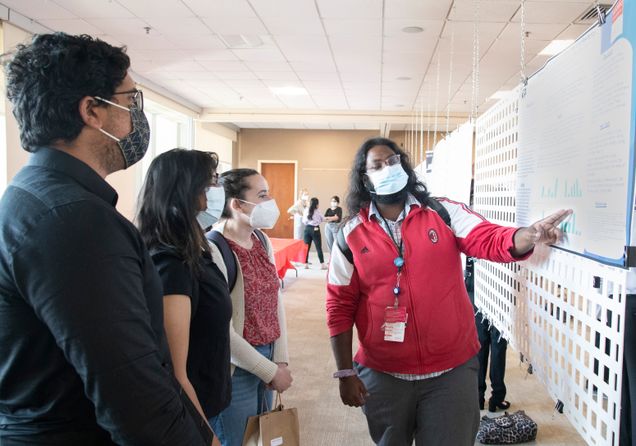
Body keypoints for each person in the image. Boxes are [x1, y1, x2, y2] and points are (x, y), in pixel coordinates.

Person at [0, 33, 211, 445]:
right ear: (92, 110)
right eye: (131, 101)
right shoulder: (73, 221)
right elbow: (132, 392)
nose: (136, 116)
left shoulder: (36, 196)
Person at [326, 137, 571, 446]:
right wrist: (345, 372)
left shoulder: (441, 212)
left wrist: (527, 235)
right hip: (384, 373)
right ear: (364, 177)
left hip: (450, 372)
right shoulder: (350, 234)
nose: (388, 168)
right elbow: (339, 305)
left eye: (393, 161)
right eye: (378, 165)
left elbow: (488, 238)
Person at [136, 149, 233, 442]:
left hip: (212, 401)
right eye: (209, 186)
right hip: (195, 414)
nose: (215, 195)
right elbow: (175, 373)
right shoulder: (171, 264)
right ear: (185, 193)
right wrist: (207, 437)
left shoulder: (197, 251)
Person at [209, 168, 293, 446]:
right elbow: (221, 331)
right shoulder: (214, 248)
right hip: (236, 366)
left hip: (267, 356)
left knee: (261, 438)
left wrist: (279, 359)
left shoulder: (261, 240)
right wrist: (269, 371)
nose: (270, 201)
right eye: (262, 195)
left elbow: (274, 300)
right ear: (236, 204)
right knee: (237, 440)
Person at [465, 257, 510, 412]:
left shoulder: (475, 234)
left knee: (480, 346)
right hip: (501, 290)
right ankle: (497, 397)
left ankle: (478, 397)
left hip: (477, 289)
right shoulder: (504, 233)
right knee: (498, 347)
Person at [303, 197, 327, 269]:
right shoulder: (317, 211)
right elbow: (323, 219)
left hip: (307, 229)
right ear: (316, 204)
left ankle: (305, 264)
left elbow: (304, 221)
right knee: (318, 248)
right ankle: (322, 264)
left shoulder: (306, 210)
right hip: (315, 229)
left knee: (306, 248)